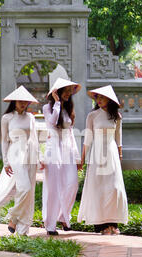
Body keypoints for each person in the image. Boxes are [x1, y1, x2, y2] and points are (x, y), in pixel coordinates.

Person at [0, 86, 43, 236]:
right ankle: (13, 217)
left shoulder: (30, 117)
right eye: (20, 101)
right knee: (24, 188)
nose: (23, 104)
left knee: (28, 191)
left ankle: (22, 229)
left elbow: (34, 139)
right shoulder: (7, 118)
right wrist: (6, 162)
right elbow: (4, 141)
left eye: (26, 101)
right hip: (15, 153)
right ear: (14, 101)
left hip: (30, 154)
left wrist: (39, 157)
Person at [77, 85, 128, 235]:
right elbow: (87, 139)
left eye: (101, 97)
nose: (98, 100)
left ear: (109, 99)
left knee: (114, 188)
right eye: (97, 97)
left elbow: (119, 138)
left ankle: (113, 223)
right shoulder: (92, 116)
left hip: (111, 153)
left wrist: (120, 156)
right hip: (97, 154)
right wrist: (82, 159)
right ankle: (101, 225)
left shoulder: (117, 117)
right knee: (98, 188)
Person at [42, 78, 82, 236]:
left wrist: (77, 158)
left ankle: (63, 216)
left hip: (67, 150)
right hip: (53, 150)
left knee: (73, 184)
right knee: (54, 187)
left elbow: (71, 134)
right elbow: (52, 122)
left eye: (70, 91)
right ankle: (50, 224)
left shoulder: (69, 109)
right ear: (57, 93)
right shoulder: (47, 107)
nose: (68, 94)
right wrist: (57, 103)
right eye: (65, 91)